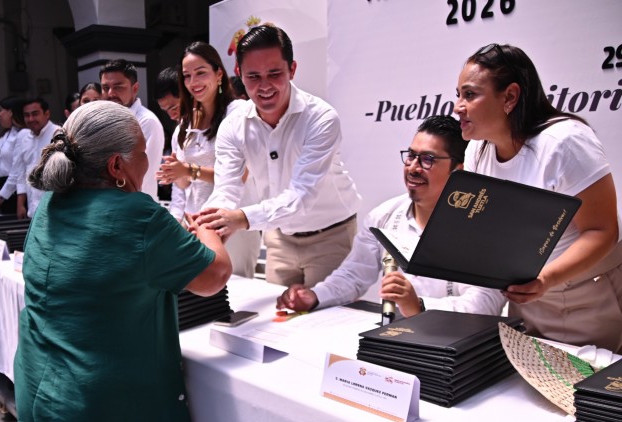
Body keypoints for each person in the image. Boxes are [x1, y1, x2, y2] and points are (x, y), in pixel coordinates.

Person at [14, 101, 231, 422]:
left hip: (41, 385)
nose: (148, 161)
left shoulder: (50, 205)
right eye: (142, 151)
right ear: (117, 165)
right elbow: (214, 276)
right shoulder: (138, 214)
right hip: (102, 405)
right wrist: (208, 232)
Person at [455, 43, 621, 352]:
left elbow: (603, 230)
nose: (457, 107)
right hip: (527, 297)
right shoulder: (477, 149)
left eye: (470, 95)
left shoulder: (565, 142)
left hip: (589, 295)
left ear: (510, 97)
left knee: (590, 381)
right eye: (458, 95)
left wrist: (546, 279)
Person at [277, 116, 506, 317]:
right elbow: (353, 274)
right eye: (411, 156)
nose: (413, 168)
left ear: (458, 171)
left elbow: (485, 303)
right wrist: (315, 296)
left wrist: (419, 305)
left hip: (456, 343)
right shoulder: (384, 216)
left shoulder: (481, 226)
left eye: (427, 159)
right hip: (395, 335)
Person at [197, 25, 361, 287]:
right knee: (277, 310)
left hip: (331, 235)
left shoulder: (320, 118)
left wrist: (240, 218)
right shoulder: (233, 125)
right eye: (253, 76)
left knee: (328, 311)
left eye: (274, 74)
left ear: (292, 69)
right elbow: (226, 187)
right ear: (239, 73)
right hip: (278, 237)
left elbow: (302, 196)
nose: (264, 86)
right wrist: (212, 221)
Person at [156, 42, 261, 278]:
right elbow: (184, 186)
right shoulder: (184, 125)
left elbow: (240, 175)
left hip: (232, 222)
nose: (194, 82)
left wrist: (188, 170)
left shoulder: (238, 112)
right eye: (187, 76)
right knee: (200, 294)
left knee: (239, 292)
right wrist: (175, 173)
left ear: (219, 73)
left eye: (201, 72)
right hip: (196, 224)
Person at [100, 59, 165, 201]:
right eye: (105, 88)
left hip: (136, 205)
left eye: (118, 87)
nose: (110, 93)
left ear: (135, 88)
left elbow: (140, 175)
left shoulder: (146, 122)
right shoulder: (103, 121)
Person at [11, 97, 59, 218]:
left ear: (47, 114)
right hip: (32, 209)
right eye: (26, 115)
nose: (31, 119)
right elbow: (22, 174)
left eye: (35, 114)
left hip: (55, 209)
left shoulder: (58, 135)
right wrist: (20, 204)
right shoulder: (25, 139)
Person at [0, 96, 26, 214]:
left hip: (14, 188)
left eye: (1, 110)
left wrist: (2, 195)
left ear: (11, 112)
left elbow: (17, 170)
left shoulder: (22, 134)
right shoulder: (3, 136)